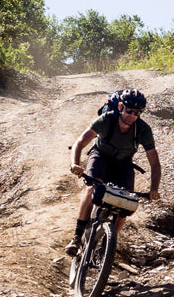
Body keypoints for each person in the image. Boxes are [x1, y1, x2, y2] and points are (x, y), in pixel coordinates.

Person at [65, 87, 161, 255]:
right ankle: (77, 237)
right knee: (93, 188)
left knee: (126, 201)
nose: (132, 115)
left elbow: (154, 163)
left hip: (123, 163)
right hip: (100, 155)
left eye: (137, 112)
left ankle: (106, 248)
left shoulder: (143, 130)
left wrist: (154, 189)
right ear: (120, 107)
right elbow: (79, 142)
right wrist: (75, 164)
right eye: (129, 110)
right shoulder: (106, 120)